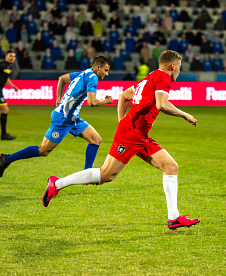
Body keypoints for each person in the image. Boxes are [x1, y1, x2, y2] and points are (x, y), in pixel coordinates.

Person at [41, 50, 200, 231]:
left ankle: (174, 217)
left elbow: (123, 96)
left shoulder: (149, 78)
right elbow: (161, 104)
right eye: (179, 67)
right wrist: (185, 115)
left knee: (171, 167)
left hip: (138, 133)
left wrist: (122, 121)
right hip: (131, 134)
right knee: (106, 175)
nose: (180, 70)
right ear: (173, 66)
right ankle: (57, 183)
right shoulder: (164, 78)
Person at [0, 56, 113, 177]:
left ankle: (86, 175)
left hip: (71, 118)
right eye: (105, 70)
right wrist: (106, 101)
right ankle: (7, 159)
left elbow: (62, 79)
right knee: (43, 150)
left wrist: (58, 98)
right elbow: (92, 102)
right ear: (98, 67)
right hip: (62, 119)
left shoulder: (85, 72)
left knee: (96, 139)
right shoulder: (93, 77)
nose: (107, 73)